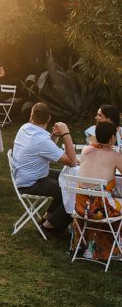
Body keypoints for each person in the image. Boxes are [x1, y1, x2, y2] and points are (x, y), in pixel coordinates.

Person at [11, 102, 77, 232]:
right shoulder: (41, 139)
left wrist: (55, 135)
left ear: (31, 116)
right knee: (72, 191)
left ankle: (46, 219)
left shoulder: (25, 128)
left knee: (66, 177)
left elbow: (47, 147)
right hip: (31, 183)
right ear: (49, 118)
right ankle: (50, 227)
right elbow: (72, 162)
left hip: (25, 176)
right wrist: (66, 134)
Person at [72, 121, 122, 261]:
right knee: (119, 203)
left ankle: (86, 245)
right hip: (100, 210)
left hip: (81, 207)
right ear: (113, 138)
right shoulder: (115, 156)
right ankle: (114, 248)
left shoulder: (86, 150)